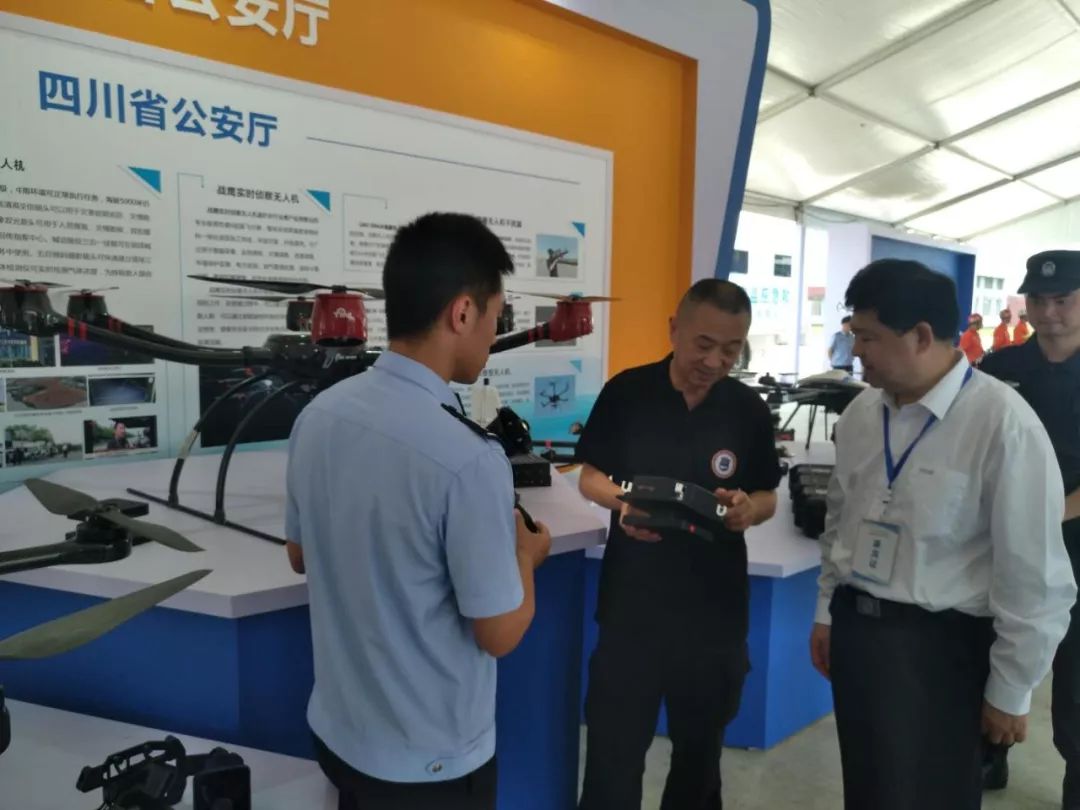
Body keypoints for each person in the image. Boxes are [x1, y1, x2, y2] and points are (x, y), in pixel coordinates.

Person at [284, 212, 552, 810]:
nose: (494, 333)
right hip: (430, 768)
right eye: (496, 315)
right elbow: (499, 632)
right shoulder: (469, 458)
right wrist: (527, 556)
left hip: (340, 737)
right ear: (463, 313)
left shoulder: (318, 416)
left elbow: (300, 555)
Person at [809, 258, 1076, 810]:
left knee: (934, 794)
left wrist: (1011, 688)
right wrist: (826, 611)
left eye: (868, 337)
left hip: (943, 650)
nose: (855, 349)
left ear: (921, 336)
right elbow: (840, 520)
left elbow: (1034, 573)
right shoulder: (862, 415)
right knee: (869, 789)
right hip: (860, 633)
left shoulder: (1002, 422)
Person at [575, 279, 782, 810]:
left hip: (714, 620)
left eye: (731, 349)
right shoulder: (628, 392)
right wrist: (621, 502)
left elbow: (767, 494)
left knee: (699, 764)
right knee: (612, 760)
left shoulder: (747, 409)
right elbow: (590, 475)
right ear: (674, 330)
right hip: (632, 612)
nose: (714, 361)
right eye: (703, 344)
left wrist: (749, 509)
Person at [979, 250, 1080, 807]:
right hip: (1000, 544)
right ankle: (989, 760)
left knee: (1075, 679)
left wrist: (1045, 513)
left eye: (1063, 300)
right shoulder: (1000, 367)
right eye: (1039, 300)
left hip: (1074, 540)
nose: (1049, 312)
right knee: (992, 653)